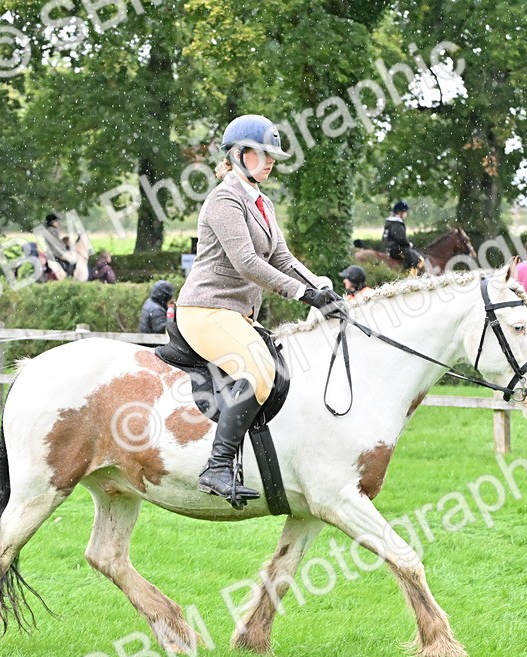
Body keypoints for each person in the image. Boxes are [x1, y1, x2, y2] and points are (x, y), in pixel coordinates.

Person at [175, 113, 341, 503]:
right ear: (237, 154)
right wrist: (303, 296)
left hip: (234, 314)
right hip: (205, 309)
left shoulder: (261, 201)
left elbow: (282, 257)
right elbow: (247, 262)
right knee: (259, 372)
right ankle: (217, 468)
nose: (270, 162)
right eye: (263, 154)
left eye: (273, 156)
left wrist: (319, 285)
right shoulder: (223, 200)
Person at [382, 201, 425, 272]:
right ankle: (411, 277)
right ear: (400, 212)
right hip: (396, 249)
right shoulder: (396, 224)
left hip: (390, 248)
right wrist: (409, 244)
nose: (406, 214)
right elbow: (400, 239)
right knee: (419, 260)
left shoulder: (390, 222)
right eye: (405, 212)